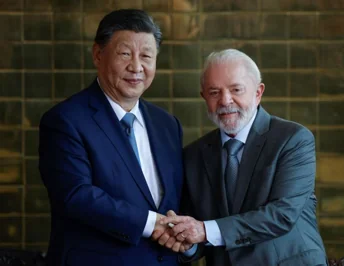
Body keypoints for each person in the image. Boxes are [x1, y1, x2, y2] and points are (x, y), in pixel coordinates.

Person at [39, 9, 185, 266]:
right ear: (98, 54)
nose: (136, 67)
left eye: (146, 56)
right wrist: (153, 223)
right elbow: (76, 196)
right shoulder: (65, 120)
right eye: (125, 54)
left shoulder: (167, 125)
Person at [157, 49, 328, 266]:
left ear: (258, 92)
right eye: (214, 92)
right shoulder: (193, 155)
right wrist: (187, 243)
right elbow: (197, 229)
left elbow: (282, 215)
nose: (225, 100)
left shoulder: (293, 139)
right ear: (204, 97)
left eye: (236, 89)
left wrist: (203, 230)